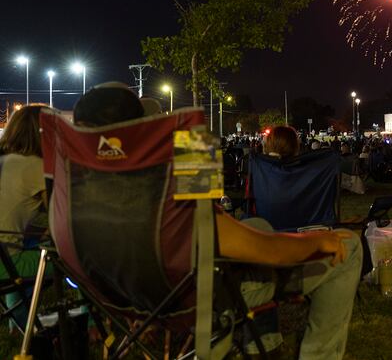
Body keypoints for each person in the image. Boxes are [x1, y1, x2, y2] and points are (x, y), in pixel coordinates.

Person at [70, 85, 362, 359]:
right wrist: (317, 241)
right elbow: (255, 248)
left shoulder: (72, 182)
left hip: (121, 292)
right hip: (195, 295)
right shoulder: (193, 147)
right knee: (349, 247)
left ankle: (266, 344)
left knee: (259, 224)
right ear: (145, 129)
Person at [0, 105, 48, 279]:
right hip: (7, 264)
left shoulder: (4, 160)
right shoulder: (36, 166)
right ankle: (87, 307)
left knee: (29, 241)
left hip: (5, 255)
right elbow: (61, 217)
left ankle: (22, 305)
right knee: (78, 259)